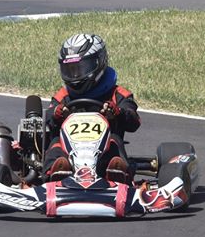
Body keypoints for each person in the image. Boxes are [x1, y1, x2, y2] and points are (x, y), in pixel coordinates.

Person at [42, 33, 141, 183]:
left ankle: (117, 172)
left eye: (81, 69)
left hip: (104, 152)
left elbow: (134, 121)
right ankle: (55, 172)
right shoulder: (63, 95)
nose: (75, 76)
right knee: (56, 143)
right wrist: (57, 113)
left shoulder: (117, 94)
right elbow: (48, 118)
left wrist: (117, 113)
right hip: (69, 152)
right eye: (70, 70)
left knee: (114, 141)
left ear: (99, 63)